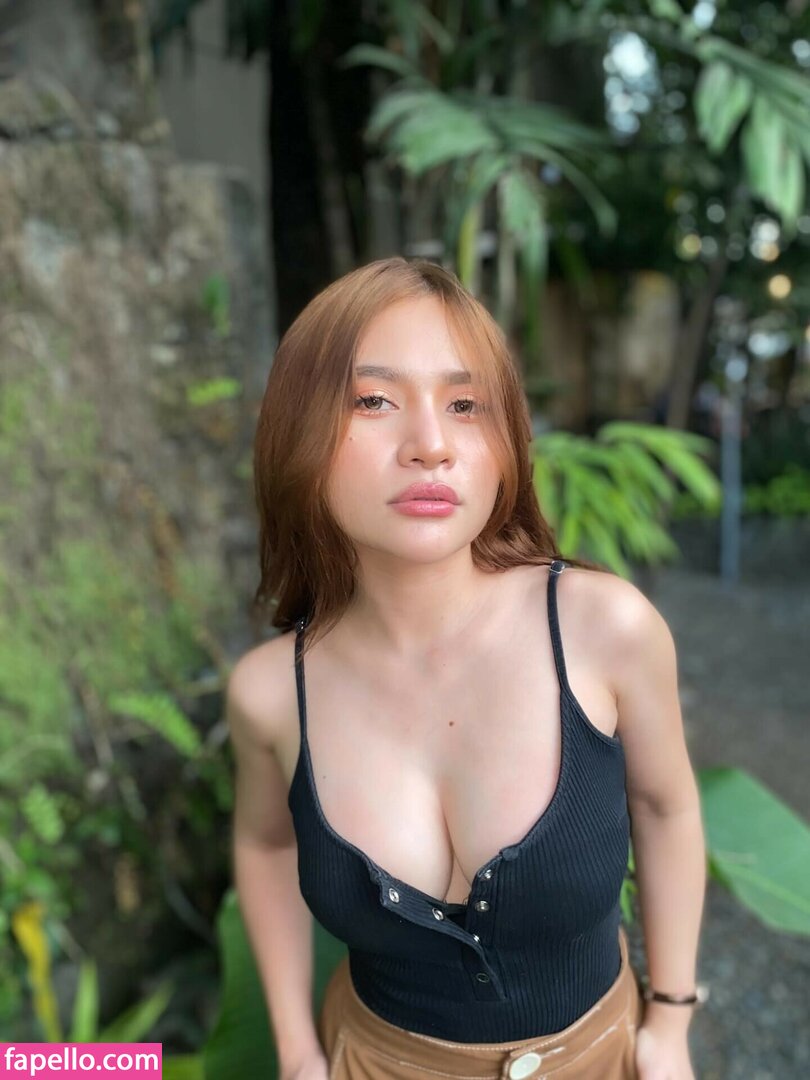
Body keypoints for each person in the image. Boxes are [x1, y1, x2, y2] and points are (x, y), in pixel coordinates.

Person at [227, 257, 707, 1080]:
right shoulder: (272, 693)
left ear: (505, 441)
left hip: (601, 1057)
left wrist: (669, 1020)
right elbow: (265, 843)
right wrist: (297, 1050)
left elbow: (667, 807)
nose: (432, 446)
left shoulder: (603, 630)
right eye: (373, 401)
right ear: (298, 432)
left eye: (465, 405)